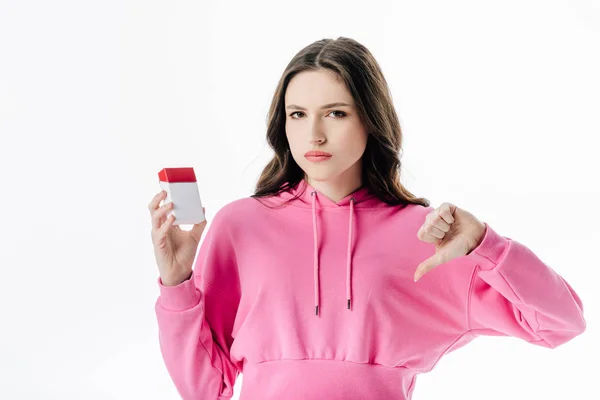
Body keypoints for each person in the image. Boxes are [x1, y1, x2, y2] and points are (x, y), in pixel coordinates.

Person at [148, 37, 586, 400]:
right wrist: (176, 285)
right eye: (297, 114)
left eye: (336, 113)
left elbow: (560, 323)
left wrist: (486, 244)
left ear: (371, 121)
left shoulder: (427, 234)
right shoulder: (240, 226)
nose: (314, 134)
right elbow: (204, 388)